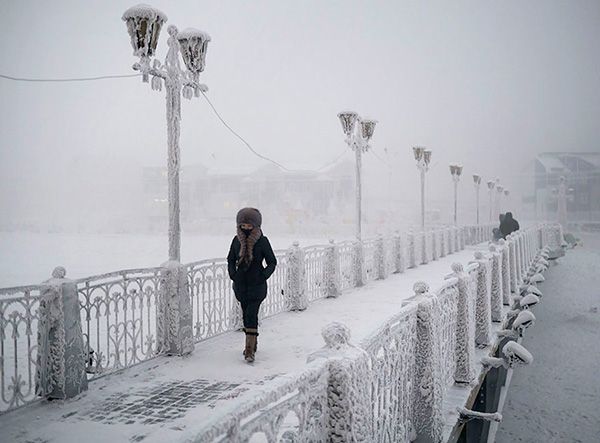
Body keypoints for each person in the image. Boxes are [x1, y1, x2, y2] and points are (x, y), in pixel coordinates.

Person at [227, 208, 277, 363]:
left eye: (249, 225)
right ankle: (253, 343)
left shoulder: (262, 241)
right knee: (245, 315)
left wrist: (262, 276)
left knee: (251, 314)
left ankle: (249, 351)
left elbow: (272, 262)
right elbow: (230, 259)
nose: (246, 228)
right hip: (241, 285)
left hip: (257, 285)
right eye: (243, 225)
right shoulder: (236, 241)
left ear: (256, 225)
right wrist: (233, 275)